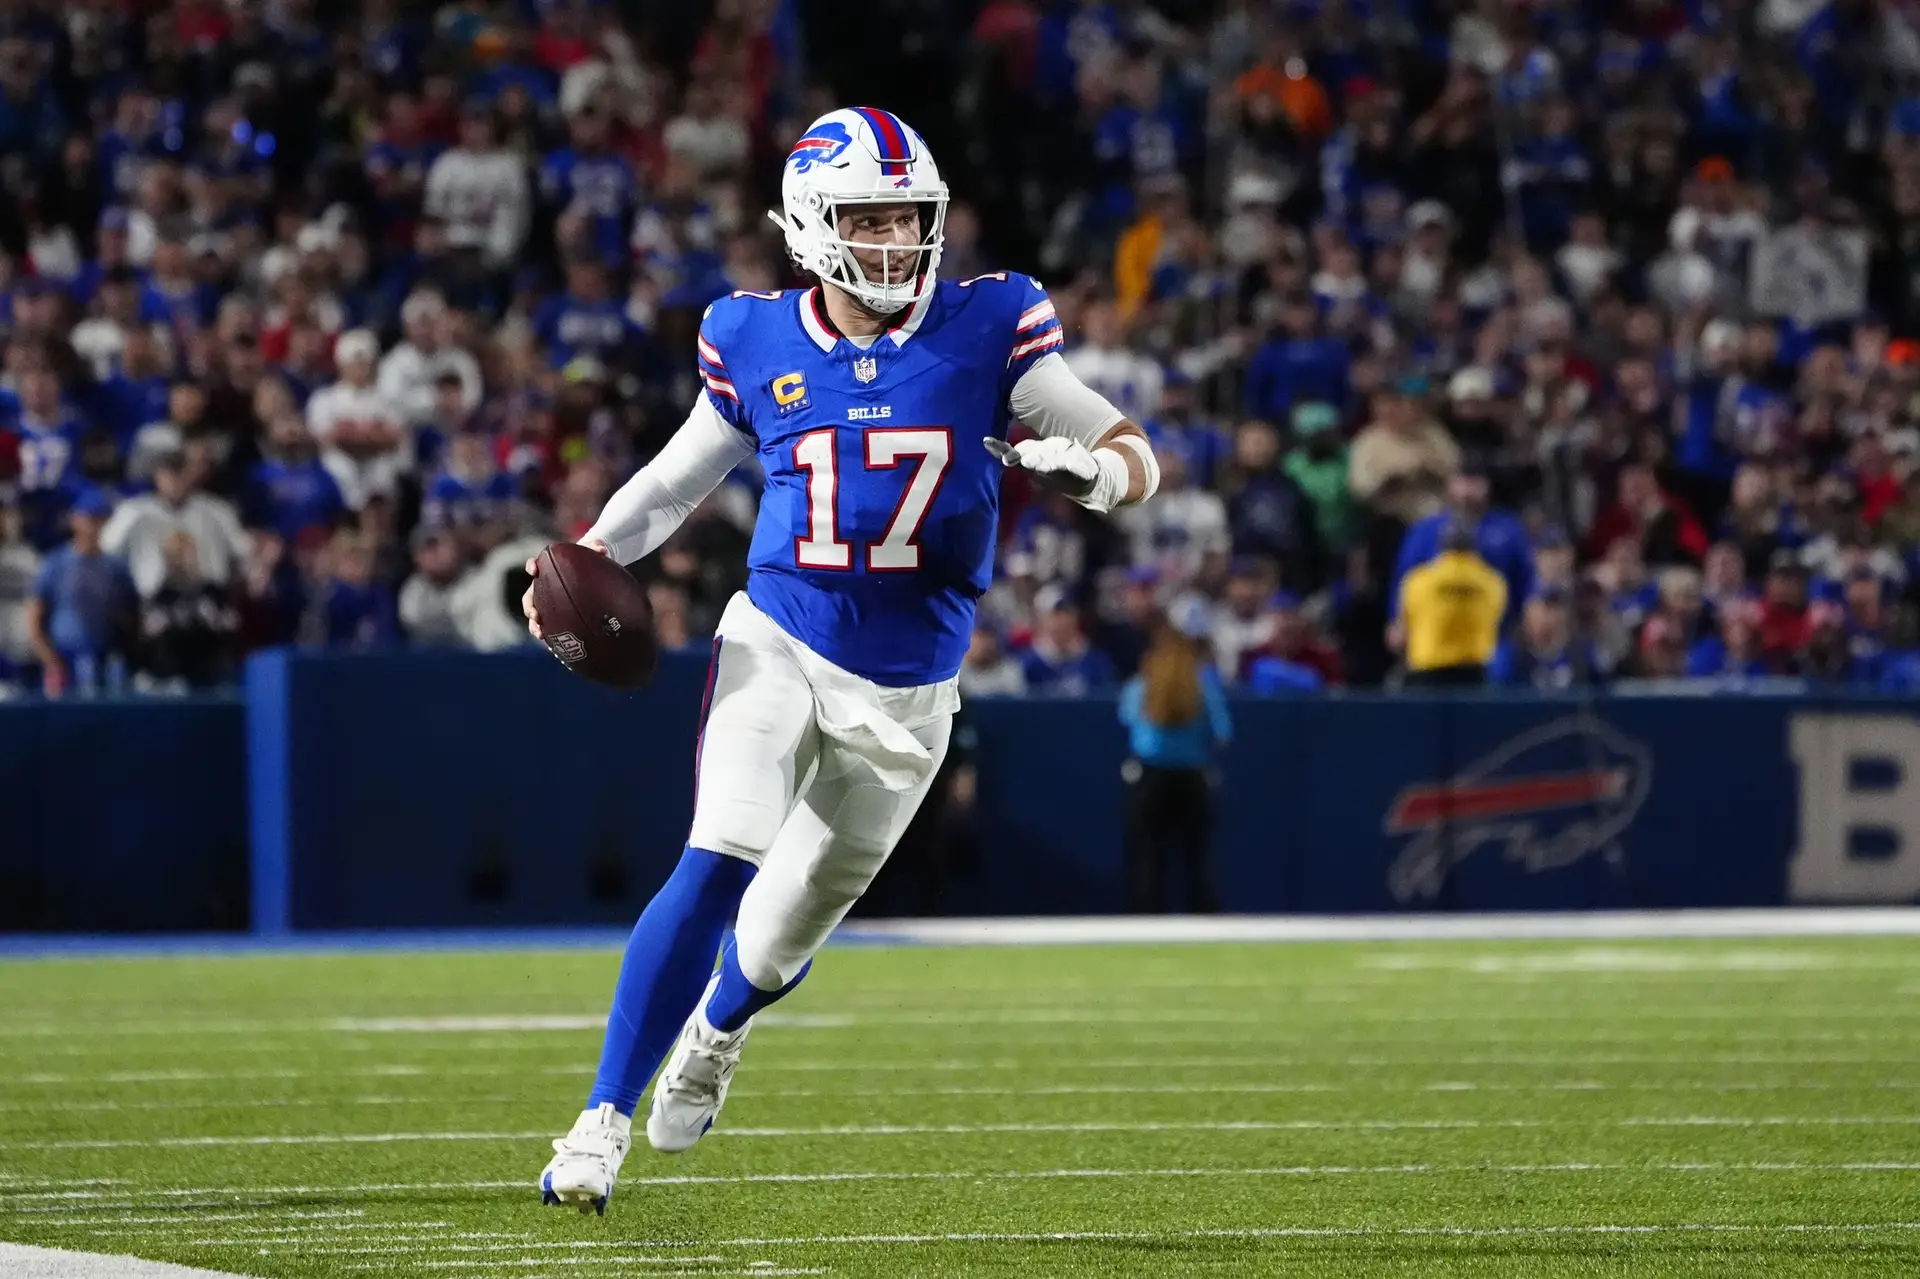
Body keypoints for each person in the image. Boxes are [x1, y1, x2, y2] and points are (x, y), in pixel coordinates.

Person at [521, 107, 1160, 1214]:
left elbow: (1132, 449)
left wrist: (1092, 479)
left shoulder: (992, 320)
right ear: (813, 224)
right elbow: (677, 483)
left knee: (780, 933)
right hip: (779, 634)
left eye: (910, 219)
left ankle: (718, 1030)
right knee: (719, 852)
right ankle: (598, 1121)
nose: (897, 243)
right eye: (870, 219)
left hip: (913, 690)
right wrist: (574, 561)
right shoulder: (753, 333)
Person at [1118, 598, 1231, 912]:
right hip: (1192, 778)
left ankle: (1146, 922)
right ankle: (1204, 921)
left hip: (1150, 777)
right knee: (1197, 857)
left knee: (1147, 857)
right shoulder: (1203, 685)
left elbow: (1127, 719)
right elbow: (1223, 736)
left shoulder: (1142, 684)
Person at [25, 489, 138, 697]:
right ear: (74, 519)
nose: (94, 525)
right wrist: (51, 661)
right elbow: (34, 620)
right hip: (64, 660)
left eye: (100, 518)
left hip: (106, 661)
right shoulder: (54, 564)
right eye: (89, 518)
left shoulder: (116, 567)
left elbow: (132, 618)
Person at [1392, 516, 1505, 687]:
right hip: (1474, 674)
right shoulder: (1493, 582)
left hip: (1428, 673)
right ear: (1474, 548)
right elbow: (1498, 620)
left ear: (1441, 546)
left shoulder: (1417, 581)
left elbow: (1400, 633)